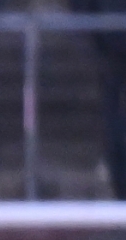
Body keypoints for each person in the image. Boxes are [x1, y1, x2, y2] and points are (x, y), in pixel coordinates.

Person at [71, 0, 126, 198]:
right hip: (108, 49)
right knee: (112, 122)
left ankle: (119, 181)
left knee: (113, 120)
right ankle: (119, 183)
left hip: (107, 45)